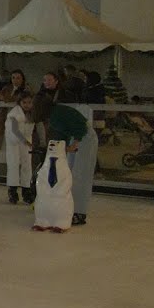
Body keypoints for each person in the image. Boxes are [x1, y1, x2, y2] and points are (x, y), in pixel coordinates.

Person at [33, 85, 93, 225]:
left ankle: (80, 212)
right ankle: (72, 210)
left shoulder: (57, 114)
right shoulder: (54, 115)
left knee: (80, 175)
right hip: (76, 138)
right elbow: (63, 133)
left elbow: (81, 126)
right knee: (71, 173)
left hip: (85, 138)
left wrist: (76, 143)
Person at [4, 93, 35, 205]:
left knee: (27, 164)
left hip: (26, 141)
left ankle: (26, 190)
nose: (27, 105)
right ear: (19, 103)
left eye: (29, 102)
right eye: (24, 102)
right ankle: (12, 190)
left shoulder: (32, 114)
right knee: (14, 164)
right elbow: (15, 130)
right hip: (14, 141)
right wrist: (25, 141)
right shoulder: (13, 114)